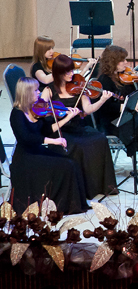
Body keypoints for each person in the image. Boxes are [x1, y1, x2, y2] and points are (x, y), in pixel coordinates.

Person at [40, 55, 117, 198]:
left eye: (71, 70)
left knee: (100, 139)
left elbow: (88, 109)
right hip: (60, 130)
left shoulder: (79, 85)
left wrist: (102, 100)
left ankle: (99, 187)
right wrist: (58, 112)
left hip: (77, 128)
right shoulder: (49, 90)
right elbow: (40, 111)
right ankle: (82, 190)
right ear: (58, 73)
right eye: (67, 72)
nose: (71, 74)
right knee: (79, 146)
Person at [9, 78, 87, 214]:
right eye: (36, 90)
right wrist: (53, 141)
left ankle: (72, 204)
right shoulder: (17, 114)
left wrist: (67, 117)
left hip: (37, 151)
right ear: (27, 93)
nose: (39, 92)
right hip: (25, 158)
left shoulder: (36, 109)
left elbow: (47, 130)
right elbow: (26, 138)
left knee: (72, 162)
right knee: (66, 166)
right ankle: (61, 205)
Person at [95, 45, 138, 177]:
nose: (126, 63)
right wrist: (125, 107)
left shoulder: (124, 77)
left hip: (128, 115)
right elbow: (105, 108)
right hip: (114, 122)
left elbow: (134, 97)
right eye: (122, 60)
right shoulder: (104, 80)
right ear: (112, 62)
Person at [30, 35, 96, 90]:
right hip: (47, 97)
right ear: (40, 50)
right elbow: (45, 80)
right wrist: (61, 69)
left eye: (52, 48)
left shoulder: (52, 63)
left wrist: (87, 66)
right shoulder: (37, 66)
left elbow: (74, 80)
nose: (52, 52)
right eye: (48, 49)